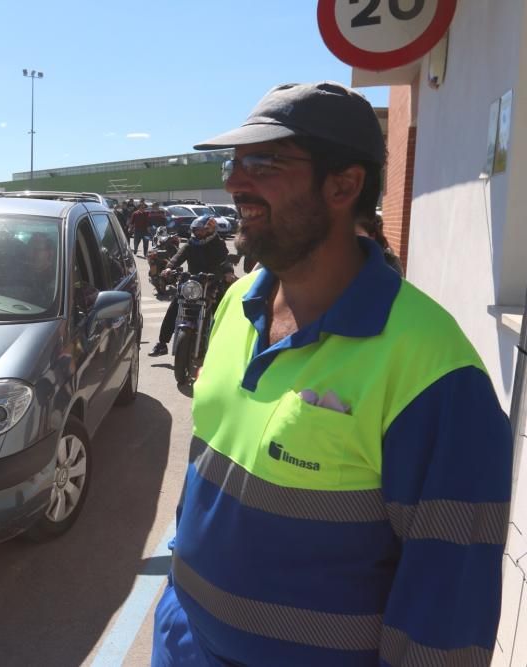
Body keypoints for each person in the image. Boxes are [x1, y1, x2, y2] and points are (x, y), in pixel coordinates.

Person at [152, 82, 512, 666]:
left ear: (344, 185)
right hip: (183, 642)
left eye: (263, 162)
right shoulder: (238, 300)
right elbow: (205, 475)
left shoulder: (438, 374)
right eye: (234, 162)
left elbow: (446, 613)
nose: (234, 182)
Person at [149, 215, 234, 357]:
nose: (198, 233)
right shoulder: (191, 243)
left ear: (209, 230)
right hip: (193, 282)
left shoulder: (218, 243)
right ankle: (162, 344)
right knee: (174, 307)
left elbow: (225, 260)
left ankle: (222, 347)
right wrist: (169, 268)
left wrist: (228, 273)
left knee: (221, 310)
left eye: (201, 230)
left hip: (211, 282)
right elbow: (178, 256)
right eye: (196, 230)